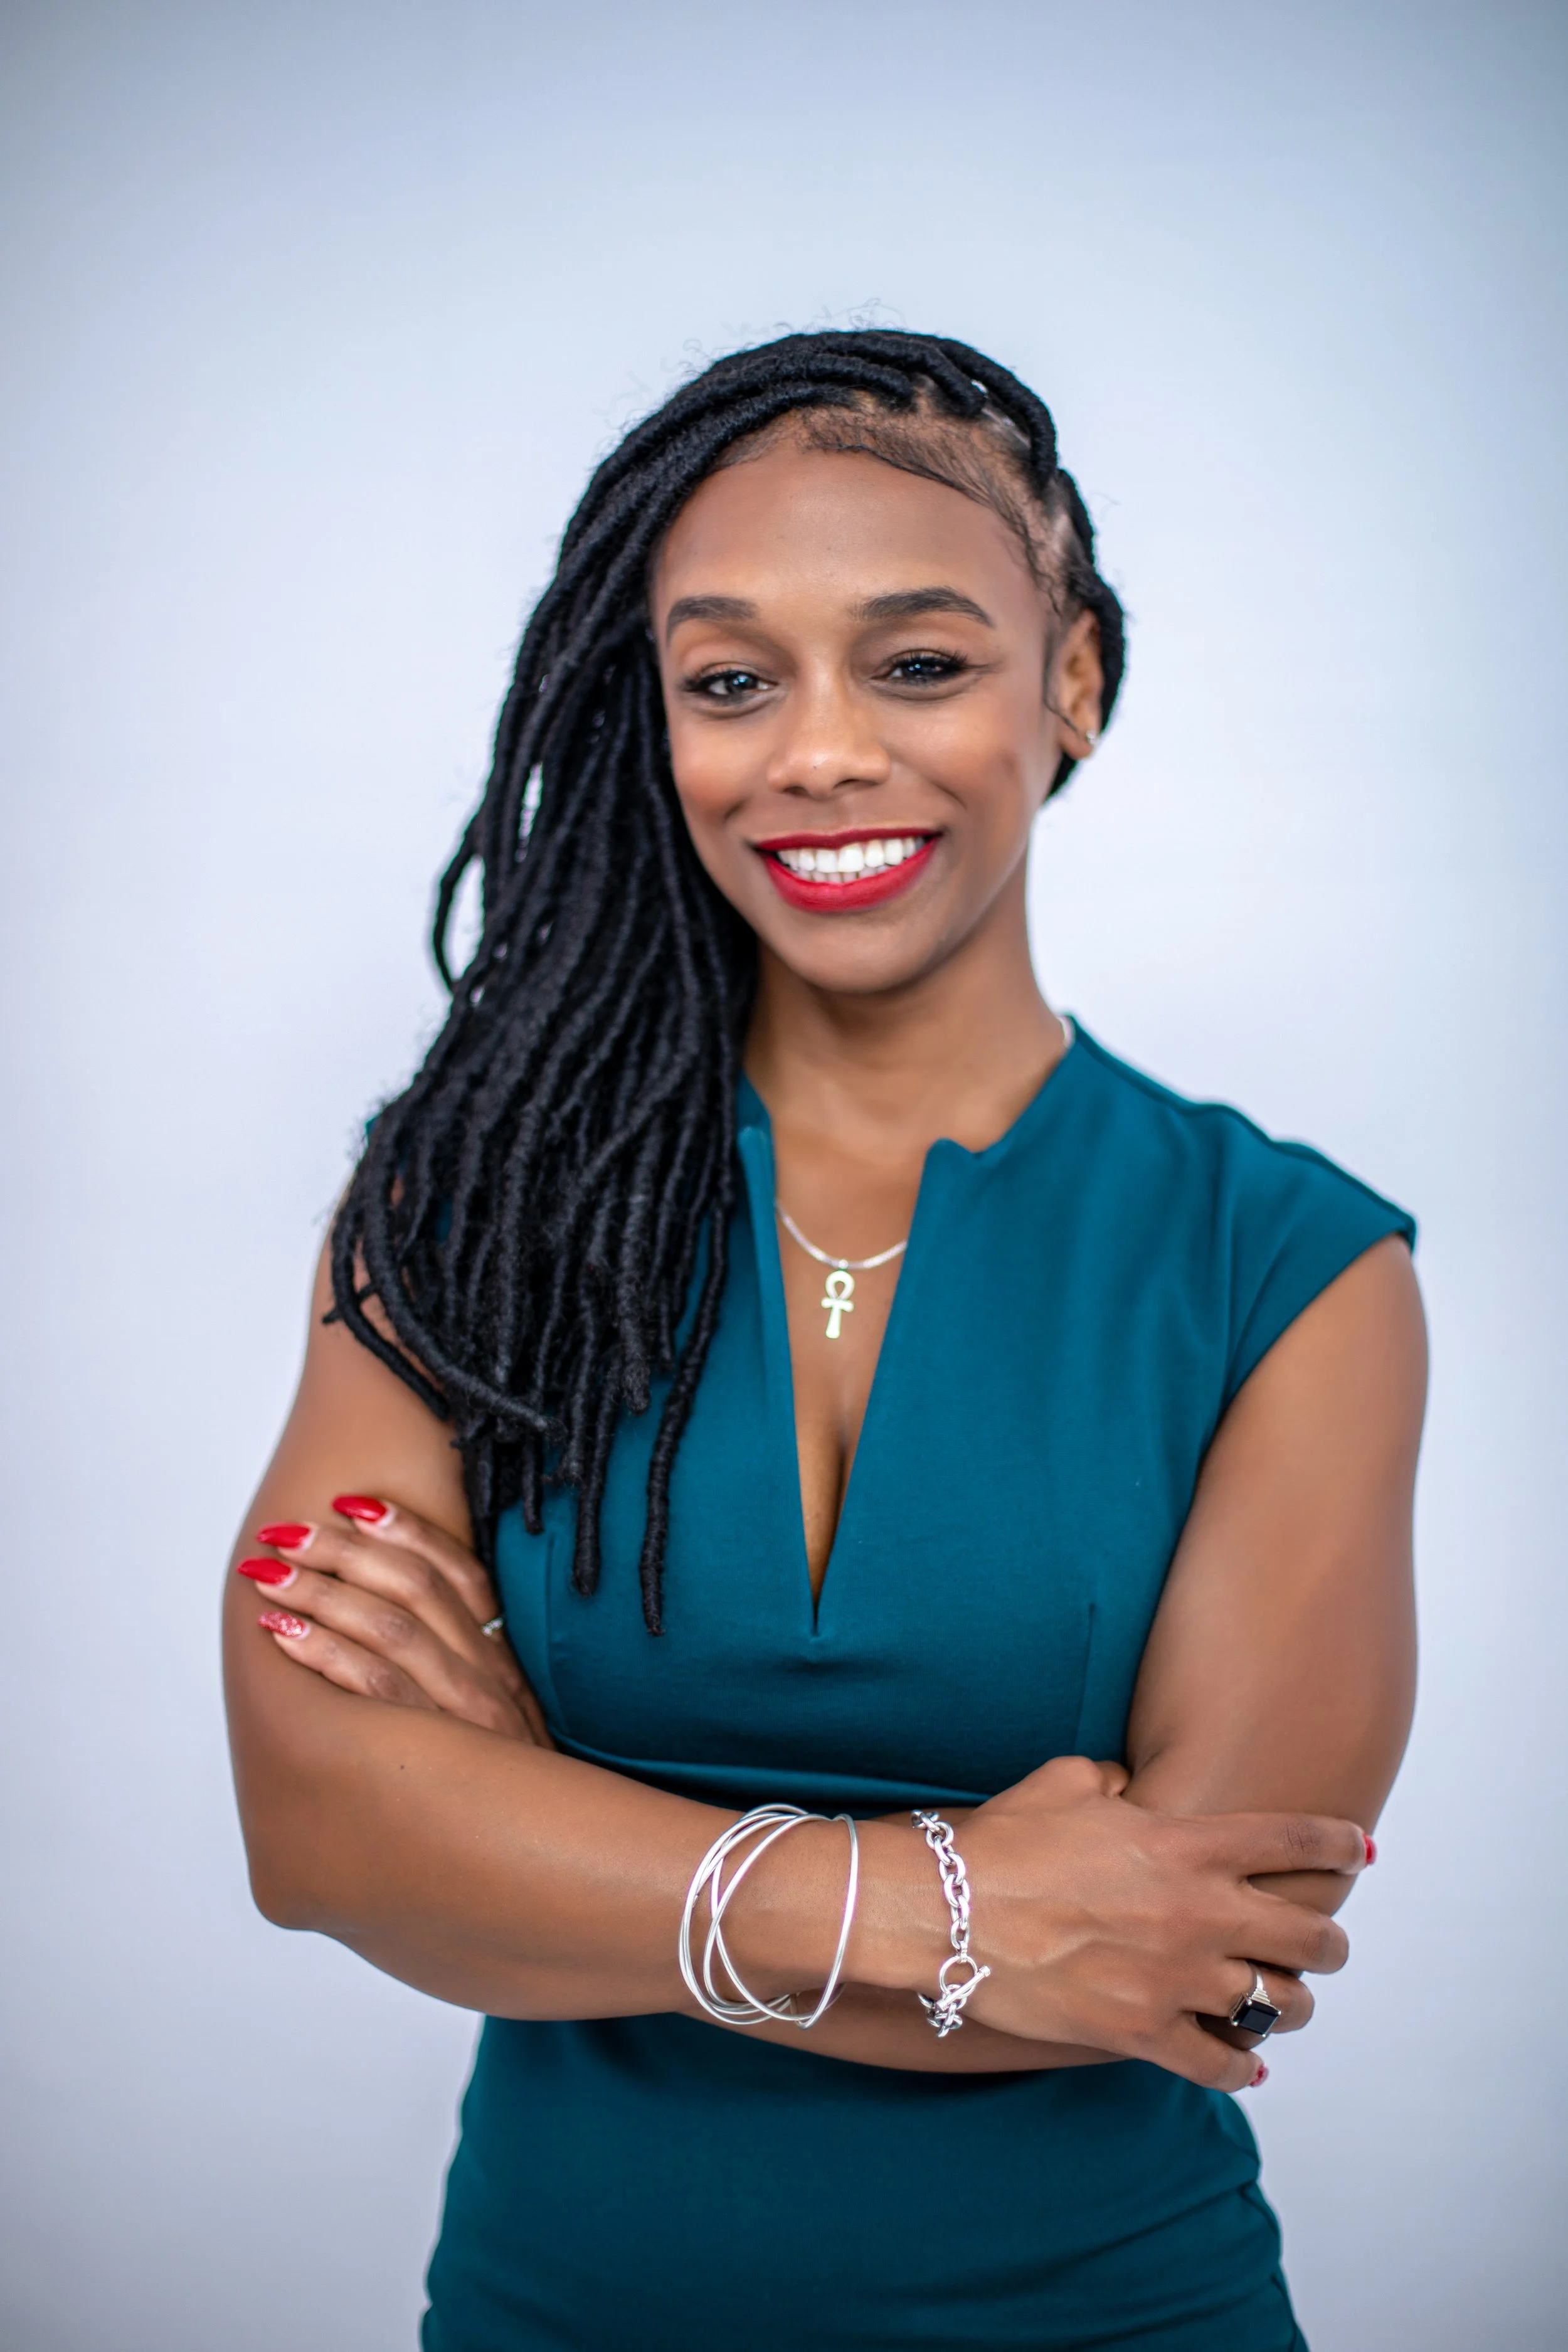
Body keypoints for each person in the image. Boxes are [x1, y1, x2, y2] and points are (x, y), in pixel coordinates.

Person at [223, 331, 1424, 2352]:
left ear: (1074, 684)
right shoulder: (465, 1204)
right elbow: (316, 1830)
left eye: (920, 662)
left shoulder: (1290, 1266)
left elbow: (1185, 1961)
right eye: (728, 678)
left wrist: (551, 1820)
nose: (819, 751)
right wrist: (958, 1910)